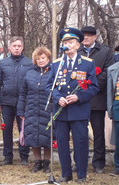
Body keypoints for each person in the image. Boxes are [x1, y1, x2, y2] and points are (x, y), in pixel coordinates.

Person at [46, 27, 99, 183]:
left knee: (81, 143)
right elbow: (50, 85)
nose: (67, 45)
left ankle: (81, 174)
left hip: (79, 110)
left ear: (78, 45)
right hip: (61, 111)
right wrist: (57, 98)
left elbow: (94, 87)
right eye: (65, 42)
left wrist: (78, 96)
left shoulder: (87, 63)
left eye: (70, 42)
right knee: (62, 143)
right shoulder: (56, 64)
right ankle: (66, 174)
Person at [77, 26, 114, 173]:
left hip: (97, 98)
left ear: (95, 37)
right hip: (79, 98)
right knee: (80, 132)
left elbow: (108, 72)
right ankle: (80, 161)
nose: (85, 37)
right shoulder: (77, 51)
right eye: (83, 35)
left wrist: (92, 85)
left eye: (88, 35)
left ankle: (98, 163)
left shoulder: (105, 51)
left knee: (98, 133)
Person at [0, 36, 33, 166]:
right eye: (14, 46)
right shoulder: (3, 63)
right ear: (10, 47)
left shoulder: (29, 63)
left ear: (22, 47)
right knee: (6, 131)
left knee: (24, 130)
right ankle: (8, 157)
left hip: (23, 103)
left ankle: (24, 157)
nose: (16, 48)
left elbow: (32, 82)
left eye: (19, 46)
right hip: (6, 103)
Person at [17, 47, 52, 173]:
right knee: (33, 137)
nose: (41, 61)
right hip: (31, 109)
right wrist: (21, 111)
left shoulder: (53, 72)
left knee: (47, 137)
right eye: (38, 59)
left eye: (43, 58)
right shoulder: (29, 73)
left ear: (48, 58)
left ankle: (47, 163)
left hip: (47, 110)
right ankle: (37, 162)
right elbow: (23, 94)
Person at [107, 61, 119, 176]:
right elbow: (110, 92)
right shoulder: (113, 69)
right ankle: (118, 166)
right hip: (118, 106)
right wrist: (110, 109)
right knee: (118, 139)